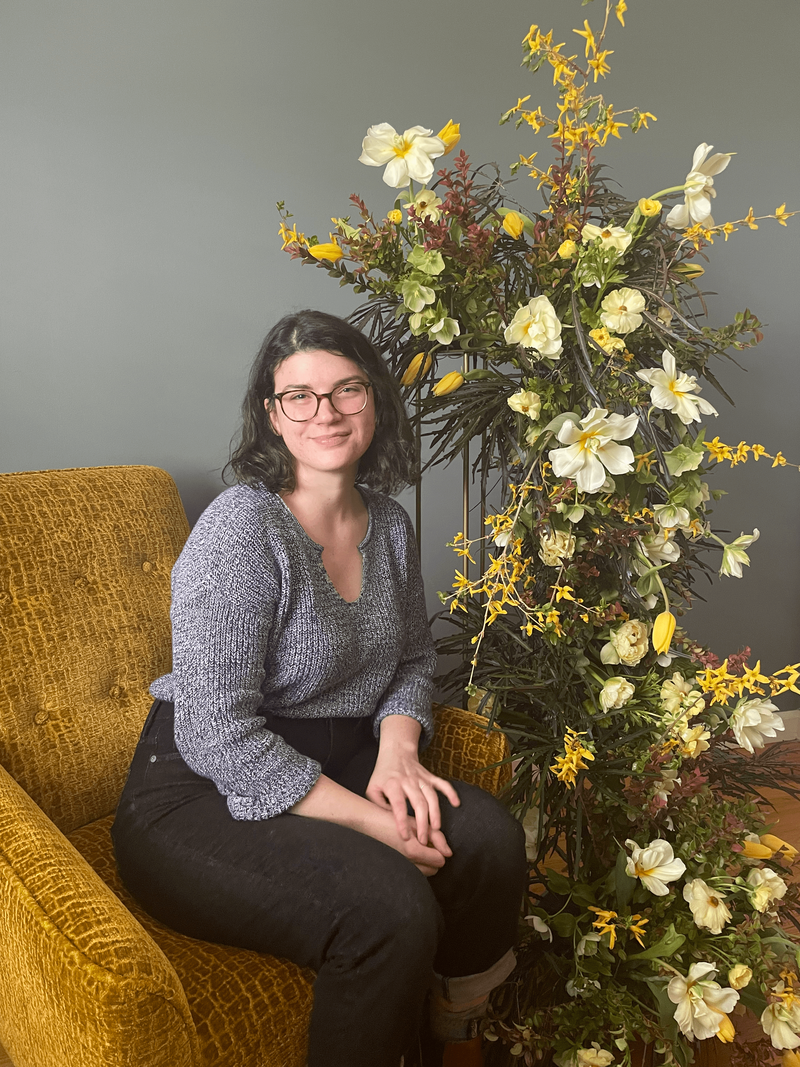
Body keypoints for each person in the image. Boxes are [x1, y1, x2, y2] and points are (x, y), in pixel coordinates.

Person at [112, 309, 527, 1067]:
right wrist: (375, 824)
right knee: (389, 906)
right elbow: (216, 735)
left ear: (375, 400)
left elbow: (408, 661)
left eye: (346, 390)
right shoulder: (243, 529)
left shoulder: (390, 526)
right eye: (298, 395)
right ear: (271, 415)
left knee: (491, 840)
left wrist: (399, 756)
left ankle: (456, 1041)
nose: (326, 413)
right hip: (195, 789)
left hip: (341, 759)